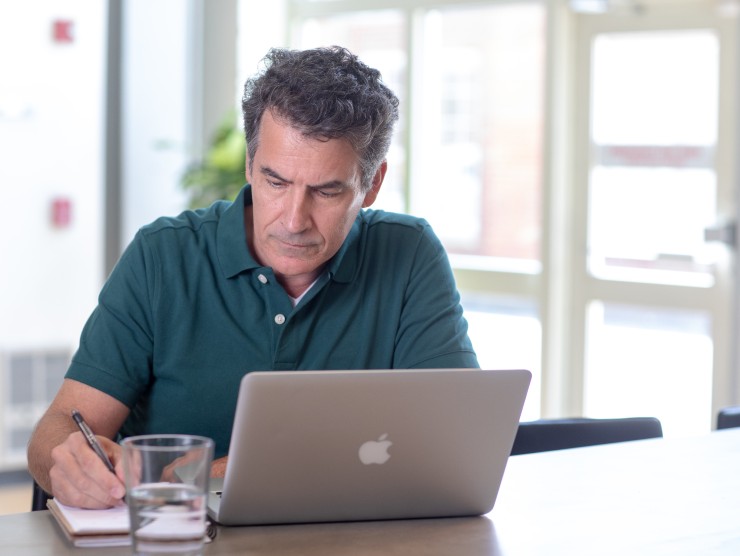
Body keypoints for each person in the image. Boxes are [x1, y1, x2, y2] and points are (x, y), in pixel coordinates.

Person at [27, 46, 479, 509]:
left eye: (325, 191)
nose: (293, 220)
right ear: (249, 164)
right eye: (276, 182)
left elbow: (457, 439)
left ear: (372, 184)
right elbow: (58, 427)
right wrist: (69, 461)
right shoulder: (163, 255)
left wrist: (224, 468)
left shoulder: (408, 253)